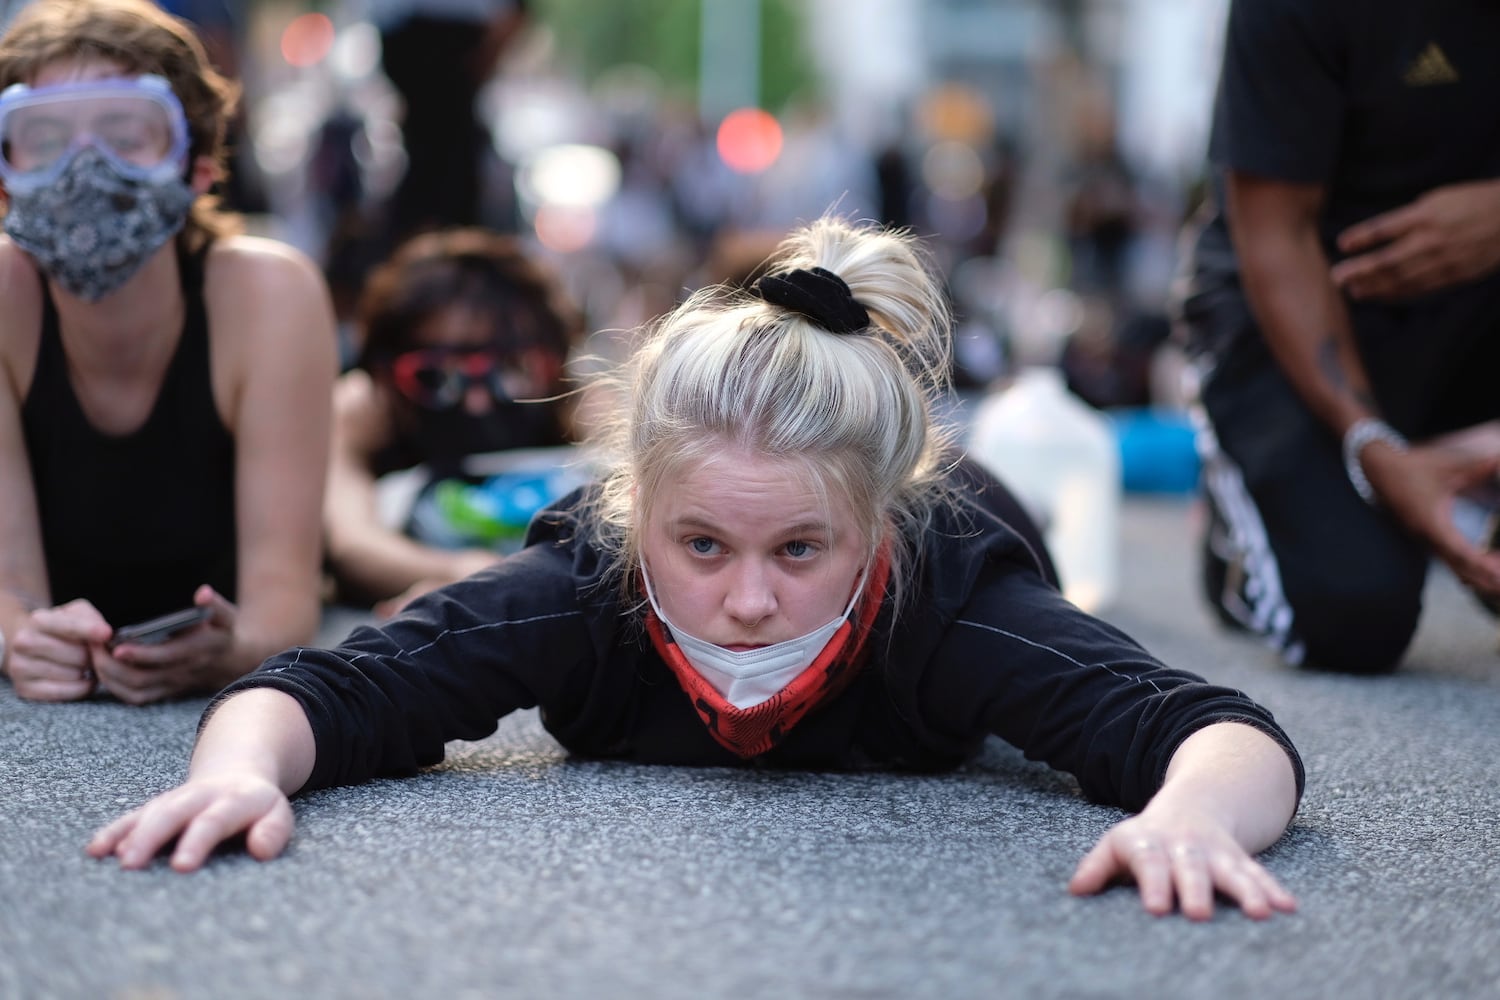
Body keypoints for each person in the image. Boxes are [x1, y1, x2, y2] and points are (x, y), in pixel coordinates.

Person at [90, 215, 1302, 921]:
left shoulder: (955, 606)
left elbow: (1219, 728)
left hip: (981, 501)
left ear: (875, 532)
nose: (753, 599)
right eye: (704, 545)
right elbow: (327, 689)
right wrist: (241, 773)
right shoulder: (584, 587)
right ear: (639, 513)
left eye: (801, 550)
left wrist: (1193, 817)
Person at [0, 0, 338, 703]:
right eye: (44, 138)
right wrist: (23, 639)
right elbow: (11, 596)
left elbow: (281, 603)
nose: (83, 170)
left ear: (199, 167)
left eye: (127, 134)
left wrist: (238, 649)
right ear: (7, 178)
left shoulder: (268, 296)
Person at [1173, 0, 1500, 674]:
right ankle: (1252, 532)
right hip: (1297, 309)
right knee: (1352, 615)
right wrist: (1370, 443)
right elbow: (1276, 236)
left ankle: (1437, 486)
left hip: (1477, 313)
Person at [324, 226, 580, 615]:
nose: (476, 402)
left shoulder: (578, 404)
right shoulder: (363, 407)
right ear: (384, 374)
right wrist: (466, 571)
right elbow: (353, 540)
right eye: (436, 376)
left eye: (510, 370)